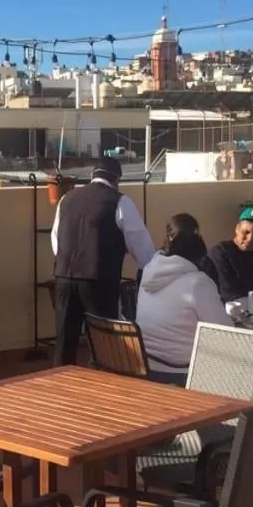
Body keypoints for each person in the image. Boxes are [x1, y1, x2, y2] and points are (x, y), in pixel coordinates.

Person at [50, 157, 156, 366]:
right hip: (99, 279)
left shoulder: (66, 199)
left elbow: (56, 241)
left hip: (64, 278)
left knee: (64, 340)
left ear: (92, 175)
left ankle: (59, 386)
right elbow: (141, 246)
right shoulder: (119, 201)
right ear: (117, 179)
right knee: (102, 342)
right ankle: (100, 389)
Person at [136, 214, 231, 386]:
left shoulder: (148, 272)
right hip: (182, 370)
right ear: (199, 258)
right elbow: (224, 332)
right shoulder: (198, 282)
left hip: (146, 364)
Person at [202, 206, 253, 303]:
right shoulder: (220, 252)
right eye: (246, 232)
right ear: (237, 229)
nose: (249, 239)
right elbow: (227, 292)